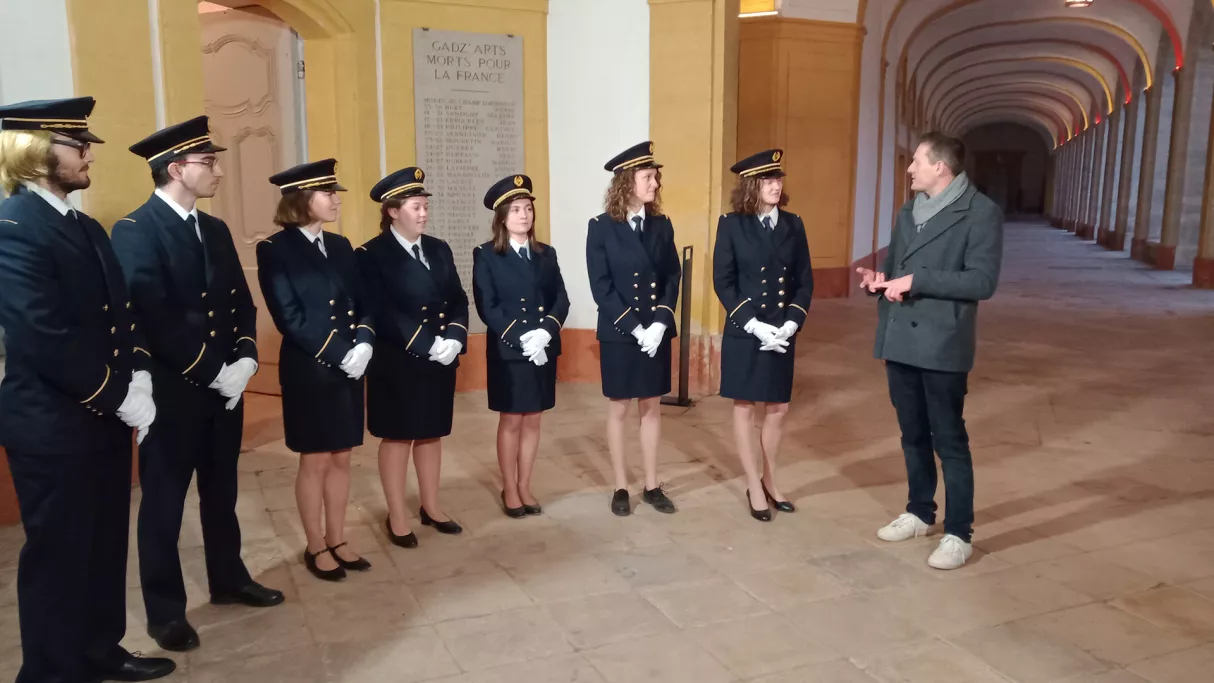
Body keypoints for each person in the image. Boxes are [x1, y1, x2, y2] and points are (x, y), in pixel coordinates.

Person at [0, 97, 176, 682]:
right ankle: (51, 671)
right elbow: (43, 335)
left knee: (103, 546)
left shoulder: (81, 223)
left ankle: (99, 650)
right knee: (58, 556)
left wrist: (140, 375)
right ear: (33, 151)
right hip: (53, 423)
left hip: (100, 416)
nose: (88, 153)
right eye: (76, 144)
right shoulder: (14, 228)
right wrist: (116, 393)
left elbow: (119, 315)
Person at [112, 116, 284, 652]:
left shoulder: (214, 228)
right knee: (164, 503)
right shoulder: (136, 230)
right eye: (208, 163)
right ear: (175, 168)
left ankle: (228, 578)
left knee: (221, 491)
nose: (217, 172)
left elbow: (238, 300)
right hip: (173, 394)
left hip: (224, 390)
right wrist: (215, 370)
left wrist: (247, 360)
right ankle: (165, 611)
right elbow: (152, 317)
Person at [857, 131, 1003, 570]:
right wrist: (880, 281)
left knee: (950, 440)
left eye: (916, 161)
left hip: (942, 343)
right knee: (912, 435)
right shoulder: (908, 211)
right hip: (901, 337)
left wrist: (917, 281)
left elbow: (982, 281)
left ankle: (959, 533)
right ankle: (920, 511)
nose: (909, 168)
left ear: (940, 167)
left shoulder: (980, 213)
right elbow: (900, 267)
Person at [258, 159, 374, 581]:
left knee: (342, 457)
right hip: (311, 369)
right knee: (316, 459)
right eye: (328, 193)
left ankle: (338, 537)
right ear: (303, 199)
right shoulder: (274, 250)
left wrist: (363, 342)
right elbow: (288, 316)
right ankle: (315, 544)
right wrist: (338, 352)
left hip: (349, 366)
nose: (335, 199)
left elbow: (363, 303)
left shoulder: (341, 246)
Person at [358, 167, 468, 543]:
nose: (423, 214)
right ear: (392, 211)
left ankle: (431, 506)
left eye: (425, 207)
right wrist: (427, 344)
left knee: (431, 433)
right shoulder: (371, 254)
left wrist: (454, 336)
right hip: (398, 361)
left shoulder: (438, 248)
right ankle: (397, 514)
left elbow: (457, 298)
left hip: (440, 359)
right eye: (415, 207)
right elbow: (381, 310)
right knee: (398, 436)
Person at [713, 149, 813, 522]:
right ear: (751, 186)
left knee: (778, 408)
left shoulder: (794, 224)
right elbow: (723, 281)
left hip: (781, 330)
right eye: (768, 180)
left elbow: (804, 279)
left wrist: (791, 322)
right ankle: (753, 484)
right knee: (744, 406)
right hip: (746, 330)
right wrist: (752, 324)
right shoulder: (732, 224)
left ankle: (771, 480)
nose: (776, 185)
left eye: (778, 179)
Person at [586, 142, 681, 516]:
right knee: (619, 408)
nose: (655, 183)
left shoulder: (662, 225)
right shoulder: (601, 227)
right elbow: (601, 286)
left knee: (652, 407)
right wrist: (635, 329)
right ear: (627, 182)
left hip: (655, 331)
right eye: (647, 177)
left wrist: (659, 322)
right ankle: (621, 485)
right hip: (620, 333)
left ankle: (652, 484)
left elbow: (672, 275)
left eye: (655, 177)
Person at [472, 174, 570, 517]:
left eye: (527, 208)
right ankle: (509, 486)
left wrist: (546, 332)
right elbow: (488, 306)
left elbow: (561, 298)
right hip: (509, 352)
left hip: (543, 348)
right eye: (515, 210)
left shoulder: (546, 254)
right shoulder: (486, 255)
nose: (524, 215)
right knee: (512, 420)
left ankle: (526, 483)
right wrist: (521, 337)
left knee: (534, 421)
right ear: (502, 217)